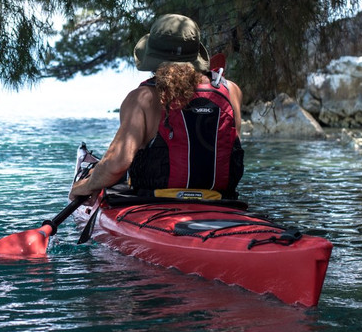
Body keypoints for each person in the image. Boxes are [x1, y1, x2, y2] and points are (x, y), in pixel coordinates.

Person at [70, 14, 243, 201]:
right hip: (221, 201)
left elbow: (117, 164)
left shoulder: (142, 98)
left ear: (153, 57)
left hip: (155, 201)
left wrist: (84, 186)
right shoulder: (230, 90)